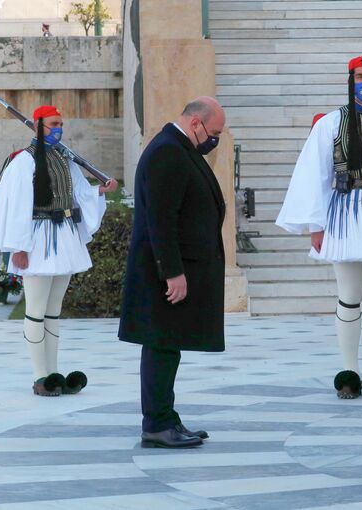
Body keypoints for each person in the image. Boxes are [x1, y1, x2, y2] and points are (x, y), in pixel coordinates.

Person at [276, 56, 362, 400]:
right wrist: (316, 224)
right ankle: (348, 372)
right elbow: (316, 175)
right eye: (360, 76)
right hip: (343, 215)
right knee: (348, 296)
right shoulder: (330, 123)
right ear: (350, 79)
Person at [0, 105, 118, 396]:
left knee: (53, 312)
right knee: (35, 310)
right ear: (37, 126)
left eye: (61, 123)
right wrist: (19, 247)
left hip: (64, 237)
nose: (59, 128)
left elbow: (79, 192)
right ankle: (39, 377)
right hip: (36, 240)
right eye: (54, 123)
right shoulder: (24, 162)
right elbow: (17, 206)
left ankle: (54, 373)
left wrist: (100, 190)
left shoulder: (64, 158)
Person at [118, 97, 226, 449]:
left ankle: (165, 418)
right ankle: (158, 423)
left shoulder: (178, 147)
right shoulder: (168, 151)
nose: (215, 140)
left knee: (167, 347)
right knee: (162, 347)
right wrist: (173, 272)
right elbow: (161, 220)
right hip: (162, 274)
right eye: (214, 132)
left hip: (171, 270)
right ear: (196, 123)